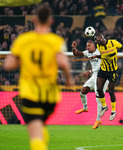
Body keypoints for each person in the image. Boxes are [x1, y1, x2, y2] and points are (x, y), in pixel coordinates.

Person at [3, 4, 73, 150]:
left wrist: (23, 59)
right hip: (50, 95)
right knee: (40, 126)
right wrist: (68, 80)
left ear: (34, 20)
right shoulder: (56, 41)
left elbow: (8, 65)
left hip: (30, 93)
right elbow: (63, 64)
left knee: (35, 135)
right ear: (51, 21)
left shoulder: (23, 40)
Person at [71, 40, 109, 129]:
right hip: (95, 76)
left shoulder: (100, 52)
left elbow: (101, 66)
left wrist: (89, 71)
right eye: (86, 46)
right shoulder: (88, 53)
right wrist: (73, 48)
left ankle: (98, 119)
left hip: (103, 76)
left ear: (94, 46)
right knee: (83, 92)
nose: (87, 47)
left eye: (89, 46)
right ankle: (85, 108)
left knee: (98, 98)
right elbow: (77, 54)